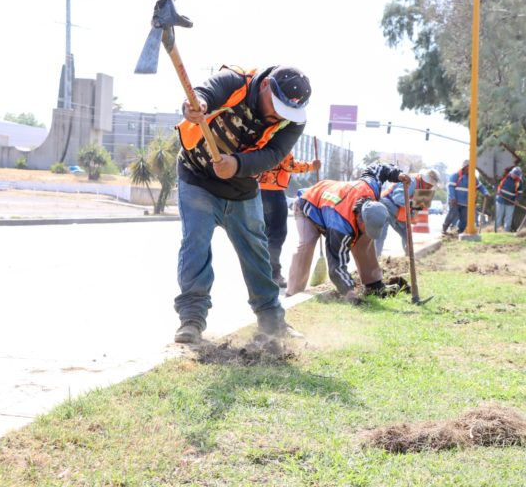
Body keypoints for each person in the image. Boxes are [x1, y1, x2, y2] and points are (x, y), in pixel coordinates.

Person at [173, 65, 311, 344]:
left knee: (256, 254)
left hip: (241, 188)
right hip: (197, 177)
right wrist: (196, 105)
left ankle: (272, 321)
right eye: (277, 107)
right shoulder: (236, 81)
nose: (277, 116)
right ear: (264, 87)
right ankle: (192, 319)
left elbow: (274, 154)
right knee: (195, 244)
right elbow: (205, 93)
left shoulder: (294, 121)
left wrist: (236, 164)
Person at [285, 163, 409, 302]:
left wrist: (397, 174)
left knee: (365, 240)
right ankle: (293, 294)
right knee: (306, 244)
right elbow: (336, 264)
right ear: (360, 220)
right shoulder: (341, 226)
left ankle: (374, 285)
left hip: (332, 201)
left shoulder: (371, 187)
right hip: (308, 203)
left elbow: (377, 168)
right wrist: (349, 293)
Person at [259, 153, 321, 288]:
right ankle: (273, 274)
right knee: (277, 235)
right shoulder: (279, 143)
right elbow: (290, 165)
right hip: (273, 194)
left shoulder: (259, 141)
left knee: (262, 235)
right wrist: (312, 166)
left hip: (256, 194)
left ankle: (261, 274)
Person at [374, 168, 440, 255]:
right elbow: (397, 198)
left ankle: (409, 258)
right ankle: (376, 259)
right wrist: (413, 203)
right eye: (428, 186)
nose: (429, 188)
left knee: (407, 235)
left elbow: (414, 209)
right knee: (381, 235)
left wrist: (415, 211)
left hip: (398, 211)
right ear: (423, 180)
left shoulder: (423, 189)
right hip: (386, 205)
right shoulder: (411, 181)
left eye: (431, 187)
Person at [447, 159, 489, 233]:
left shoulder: (473, 178)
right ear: (464, 167)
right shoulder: (455, 175)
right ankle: (445, 229)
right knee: (453, 215)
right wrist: (453, 198)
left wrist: (485, 192)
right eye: (469, 167)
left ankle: (459, 232)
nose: (470, 170)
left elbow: (480, 186)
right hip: (455, 202)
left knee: (464, 219)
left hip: (466, 203)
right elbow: (451, 188)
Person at [494, 166, 524, 232]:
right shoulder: (505, 177)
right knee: (498, 216)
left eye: (516, 175)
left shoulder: (519, 182)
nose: (515, 176)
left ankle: (506, 232)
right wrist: (495, 189)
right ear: (512, 173)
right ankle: (496, 231)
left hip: (511, 203)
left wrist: (517, 200)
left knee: (508, 218)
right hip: (500, 200)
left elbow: (520, 193)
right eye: (514, 174)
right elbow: (496, 184)